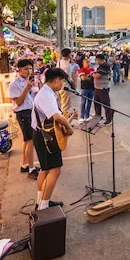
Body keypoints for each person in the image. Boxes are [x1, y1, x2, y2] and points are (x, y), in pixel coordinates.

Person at [32, 68, 74, 210]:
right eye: (61, 82)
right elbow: (56, 116)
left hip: (43, 134)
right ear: (56, 80)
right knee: (54, 170)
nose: (62, 85)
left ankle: (41, 201)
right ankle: (43, 205)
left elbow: (55, 118)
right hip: (46, 137)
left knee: (45, 169)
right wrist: (69, 128)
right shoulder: (47, 95)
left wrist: (68, 118)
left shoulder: (46, 92)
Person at [9, 59, 39, 180]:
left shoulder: (29, 81)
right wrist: (27, 88)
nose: (29, 71)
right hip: (23, 113)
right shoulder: (14, 84)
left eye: (30, 68)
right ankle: (31, 169)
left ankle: (25, 164)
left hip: (30, 111)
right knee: (31, 140)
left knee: (27, 140)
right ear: (19, 69)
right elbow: (19, 102)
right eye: (26, 69)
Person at [56, 48, 77, 117]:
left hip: (58, 85)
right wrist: (73, 86)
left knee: (61, 103)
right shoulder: (67, 65)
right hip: (65, 86)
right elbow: (69, 78)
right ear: (68, 54)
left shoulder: (59, 62)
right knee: (65, 105)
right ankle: (65, 121)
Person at [93, 54, 113, 125]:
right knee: (97, 103)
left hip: (103, 88)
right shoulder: (101, 66)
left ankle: (109, 119)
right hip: (97, 88)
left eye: (97, 60)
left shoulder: (105, 65)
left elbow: (97, 76)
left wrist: (93, 74)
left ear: (99, 59)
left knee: (106, 104)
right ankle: (98, 117)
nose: (96, 61)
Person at [78, 58, 95, 123]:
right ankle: (82, 116)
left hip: (92, 88)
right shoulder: (81, 70)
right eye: (86, 62)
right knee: (83, 102)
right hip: (85, 88)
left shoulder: (92, 69)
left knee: (89, 102)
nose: (88, 64)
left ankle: (87, 115)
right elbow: (83, 78)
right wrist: (90, 77)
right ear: (83, 63)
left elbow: (92, 76)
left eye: (89, 62)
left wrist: (88, 76)